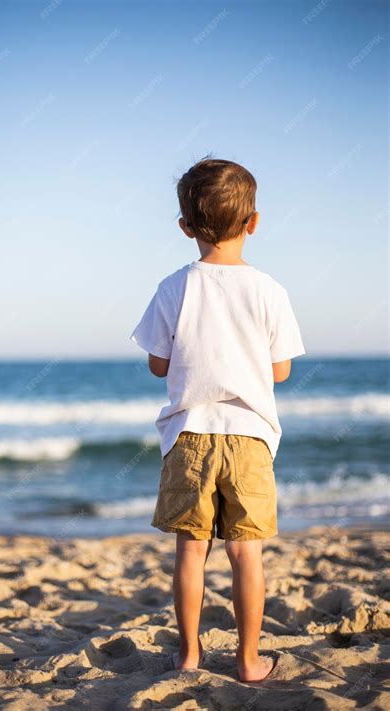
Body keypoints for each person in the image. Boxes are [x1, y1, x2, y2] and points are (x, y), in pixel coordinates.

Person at [130, 158, 305, 682]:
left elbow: (158, 363)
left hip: (189, 434)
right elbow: (280, 371)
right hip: (250, 436)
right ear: (254, 221)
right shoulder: (270, 290)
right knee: (245, 553)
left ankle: (188, 655)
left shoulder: (173, 287)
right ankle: (249, 661)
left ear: (185, 227)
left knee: (190, 550)